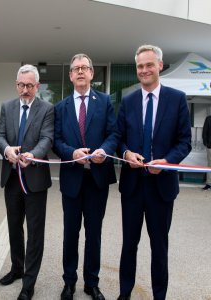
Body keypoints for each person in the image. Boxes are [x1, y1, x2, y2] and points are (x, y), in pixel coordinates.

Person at [116, 45, 191, 300]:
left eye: (149, 65)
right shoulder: (128, 101)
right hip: (133, 186)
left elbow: (184, 141)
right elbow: (119, 138)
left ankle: (160, 296)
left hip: (162, 188)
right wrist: (126, 154)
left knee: (159, 247)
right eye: (140, 66)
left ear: (160, 65)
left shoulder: (177, 99)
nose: (144, 70)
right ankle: (124, 294)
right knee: (129, 246)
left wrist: (167, 161)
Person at [53, 54, 118, 300]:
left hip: (97, 180)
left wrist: (105, 150)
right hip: (71, 180)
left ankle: (92, 283)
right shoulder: (61, 107)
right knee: (70, 233)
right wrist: (72, 153)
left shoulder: (105, 102)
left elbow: (113, 133)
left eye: (84, 68)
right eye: (75, 69)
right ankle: (69, 281)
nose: (80, 72)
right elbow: (56, 141)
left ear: (92, 73)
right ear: (70, 76)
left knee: (94, 234)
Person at [0, 64, 54, 300]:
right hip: (11, 178)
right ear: (16, 85)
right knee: (13, 227)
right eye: (21, 85)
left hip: (36, 179)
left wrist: (34, 155)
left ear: (37, 86)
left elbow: (47, 138)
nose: (25, 90)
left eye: (30, 85)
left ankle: (29, 283)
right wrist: (7, 149)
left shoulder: (47, 109)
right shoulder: (7, 107)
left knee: (35, 232)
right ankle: (17, 268)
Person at [202, 115, 211, 190]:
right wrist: (207, 144)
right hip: (210, 146)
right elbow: (204, 132)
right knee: (210, 165)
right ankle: (209, 183)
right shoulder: (209, 118)